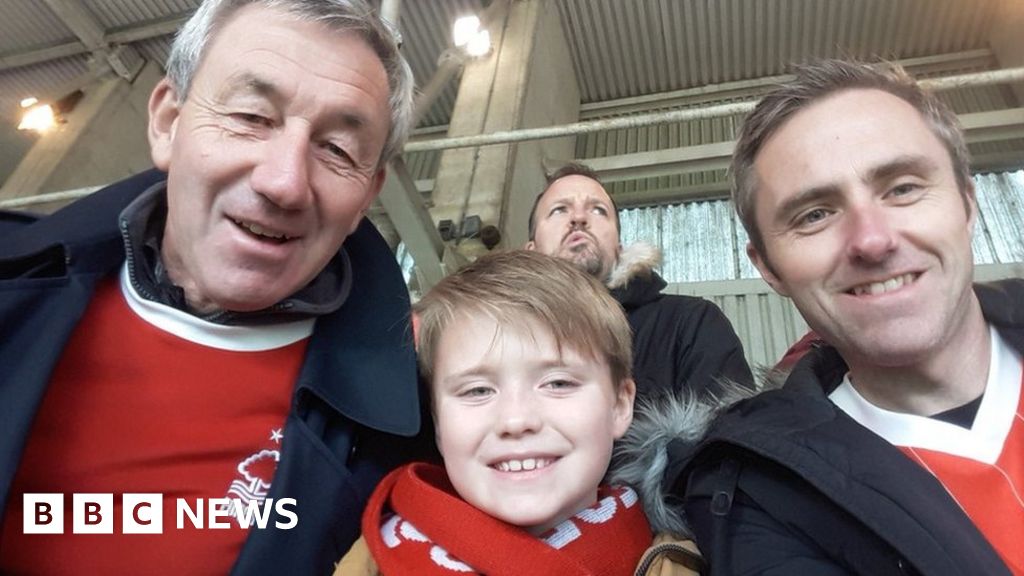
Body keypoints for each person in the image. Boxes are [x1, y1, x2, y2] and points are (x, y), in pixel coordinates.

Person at [0, 1, 421, 574]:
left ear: (368, 196)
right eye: (252, 116)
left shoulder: (403, 419)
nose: (284, 182)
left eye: (338, 150)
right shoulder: (13, 287)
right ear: (168, 122)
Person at [665, 59, 1023, 575]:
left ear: (967, 204)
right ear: (768, 266)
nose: (872, 240)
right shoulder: (756, 498)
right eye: (814, 214)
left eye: (902, 187)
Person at [335, 250, 705, 575]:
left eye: (558, 383)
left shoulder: (690, 561)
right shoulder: (369, 561)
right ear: (438, 424)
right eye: (477, 390)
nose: (516, 421)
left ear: (620, 405)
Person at [526, 163, 753, 400]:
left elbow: (734, 431)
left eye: (598, 210)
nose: (579, 218)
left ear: (619, 248)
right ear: (530, 251)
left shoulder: (689, 324)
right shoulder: (496, 335)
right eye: (560, 209)